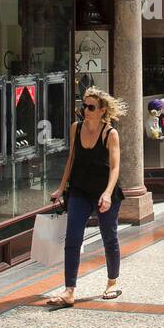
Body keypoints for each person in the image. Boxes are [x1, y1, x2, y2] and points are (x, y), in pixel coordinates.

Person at [47, 87, 125, 308]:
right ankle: (69, 290)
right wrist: (61, 188)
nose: (85, 110)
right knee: (73, 238)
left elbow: (115, 167)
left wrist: (108, 193)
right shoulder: (76, 128)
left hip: (103, 192)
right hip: (79, 191)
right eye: (83, 105)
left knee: (109, 237)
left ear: (101, 111)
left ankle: (112, 281)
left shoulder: (110, 134)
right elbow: (71, 159)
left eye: (90, 107)